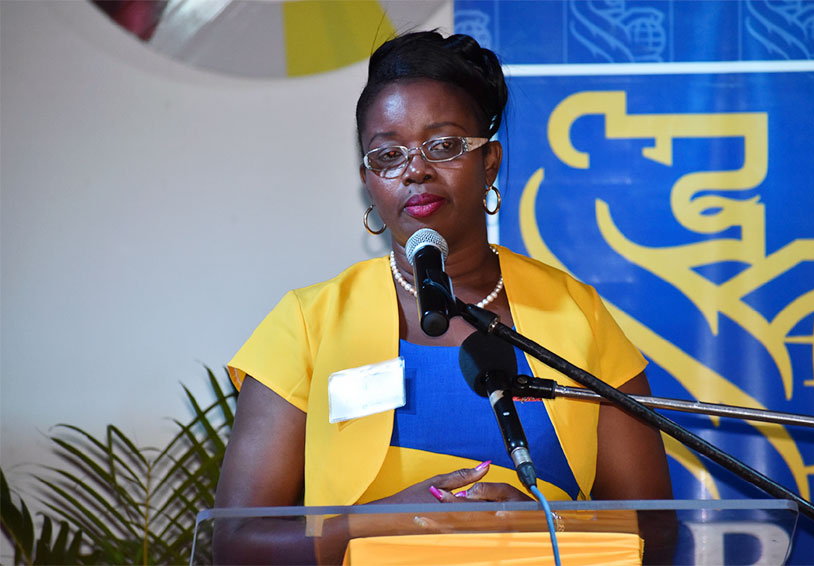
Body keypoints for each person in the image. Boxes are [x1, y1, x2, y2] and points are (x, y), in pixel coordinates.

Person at [214, 30, 672, 564]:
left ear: (490, 164)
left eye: (444, 145)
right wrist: (379, 526)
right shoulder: (308, 323)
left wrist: (544, 526)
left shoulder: (576, 314)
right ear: (368, 179)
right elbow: (238, 544)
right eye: (388, 154)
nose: (415, 169)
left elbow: (656, 532)